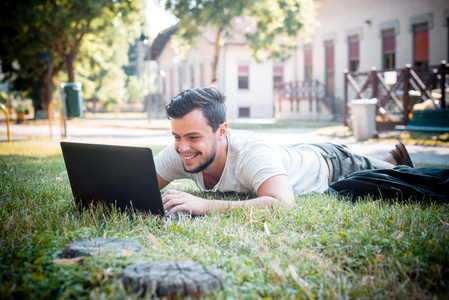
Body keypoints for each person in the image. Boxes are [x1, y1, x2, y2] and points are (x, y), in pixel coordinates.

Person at [155, 87, 413, 216]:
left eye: (193, 137)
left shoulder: (249, 151)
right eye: (177, 137)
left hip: (330, 164)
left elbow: (282, 203)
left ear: (221, 131)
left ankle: (392, 161)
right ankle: (390, 157)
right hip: (289, 155)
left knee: (402, 176)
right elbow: (141, 182)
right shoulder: (181, 150)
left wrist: (205, 205)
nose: (182, 147)